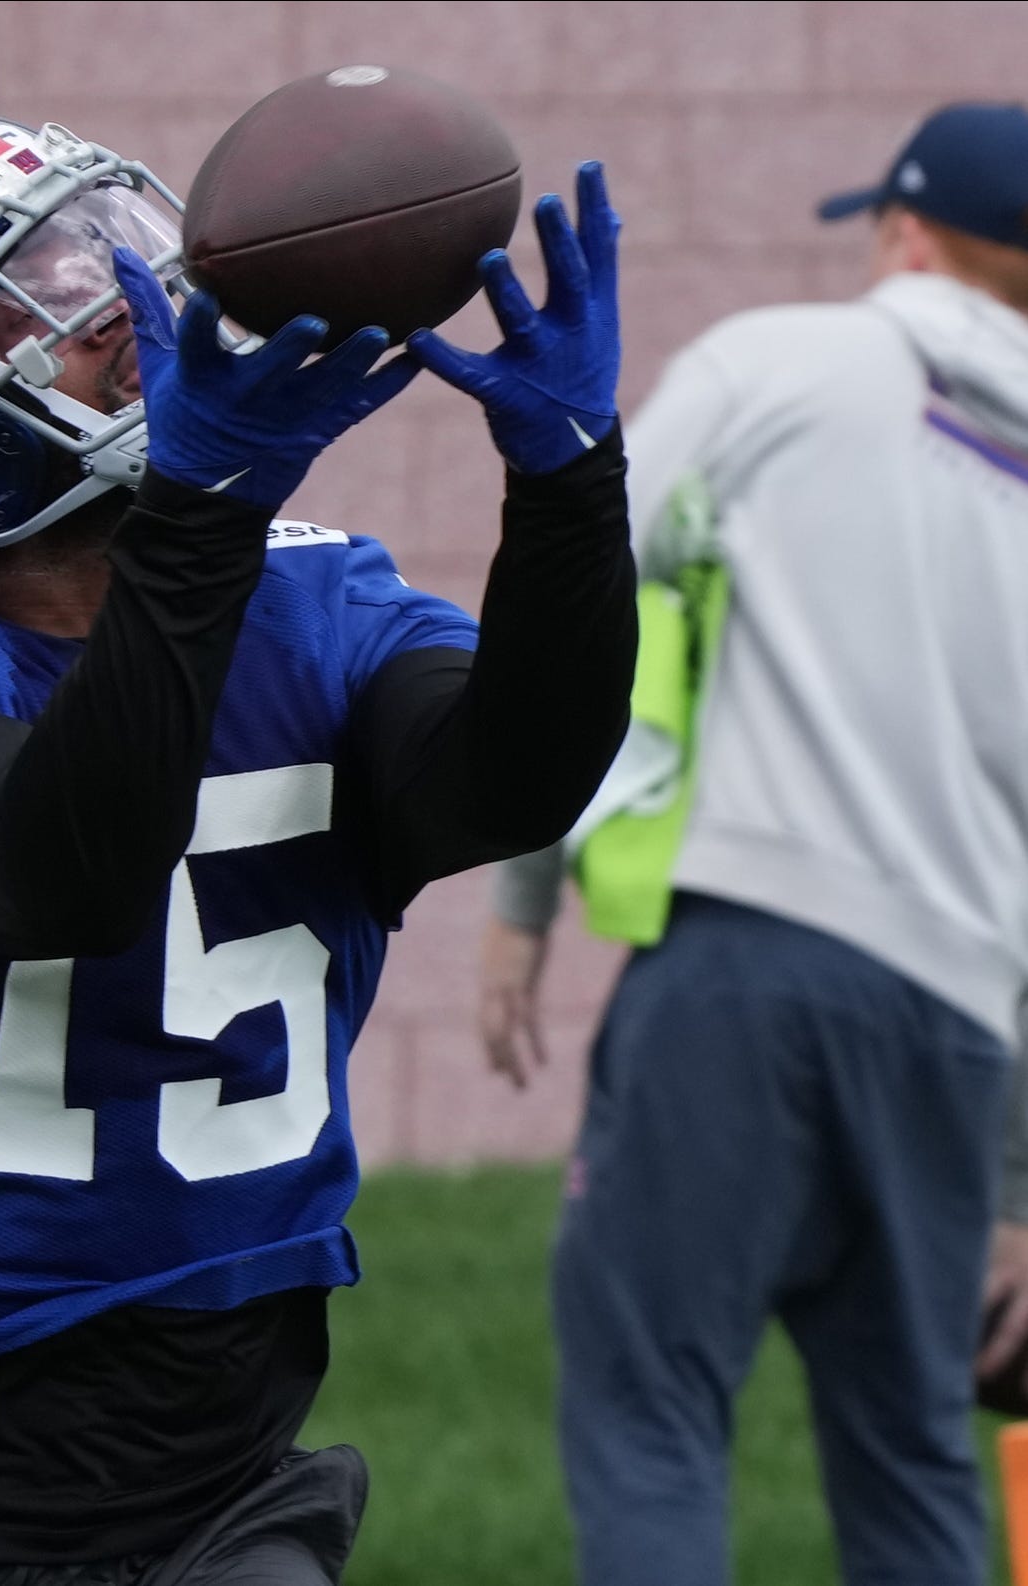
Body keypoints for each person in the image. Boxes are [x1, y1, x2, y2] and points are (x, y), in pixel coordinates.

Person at [0, 110, 636, 1584]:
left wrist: (564, 483)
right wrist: (203, 513)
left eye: (88, 242)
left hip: (220, 1480)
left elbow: (508, 782)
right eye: (29, 285)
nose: (111, 297)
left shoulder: (317, 597)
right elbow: (66, 865)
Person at [480, 102, 1028, 1586]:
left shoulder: (779, 362)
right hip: (960, 1029)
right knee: (913, 1446)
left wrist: (523, 893)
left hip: (743, 972)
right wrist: (1018, 1190)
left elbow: (578, 597)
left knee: (650, 1405)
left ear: (904, 229)